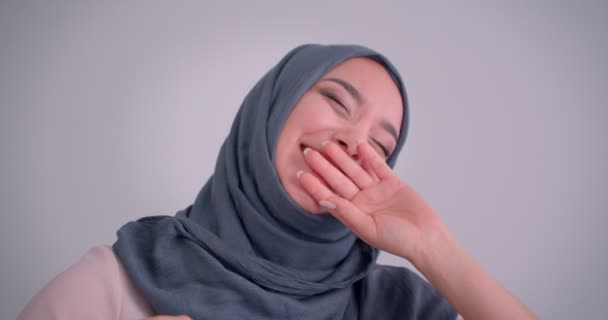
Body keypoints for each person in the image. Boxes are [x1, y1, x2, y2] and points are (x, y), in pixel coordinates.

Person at [18, 44, 536, 320]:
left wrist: (433, 247)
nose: (355, 142)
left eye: (382, 145)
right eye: (336, 100)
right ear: (269, 110)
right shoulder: (114, 284)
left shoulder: (400, 307)